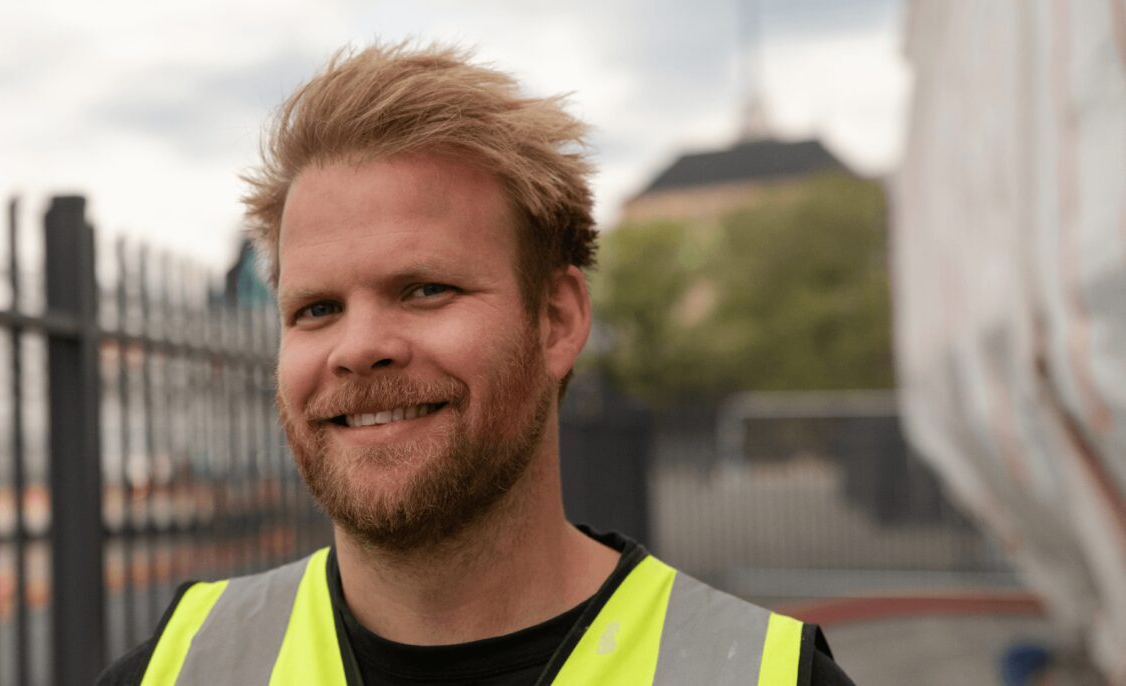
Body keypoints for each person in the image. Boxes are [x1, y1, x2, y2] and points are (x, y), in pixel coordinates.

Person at [99, 43, 855, 685]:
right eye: (317, 309)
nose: (359, 346)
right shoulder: (175, 667)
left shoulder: (762, 673)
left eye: (425, 289)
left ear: (557, 320)